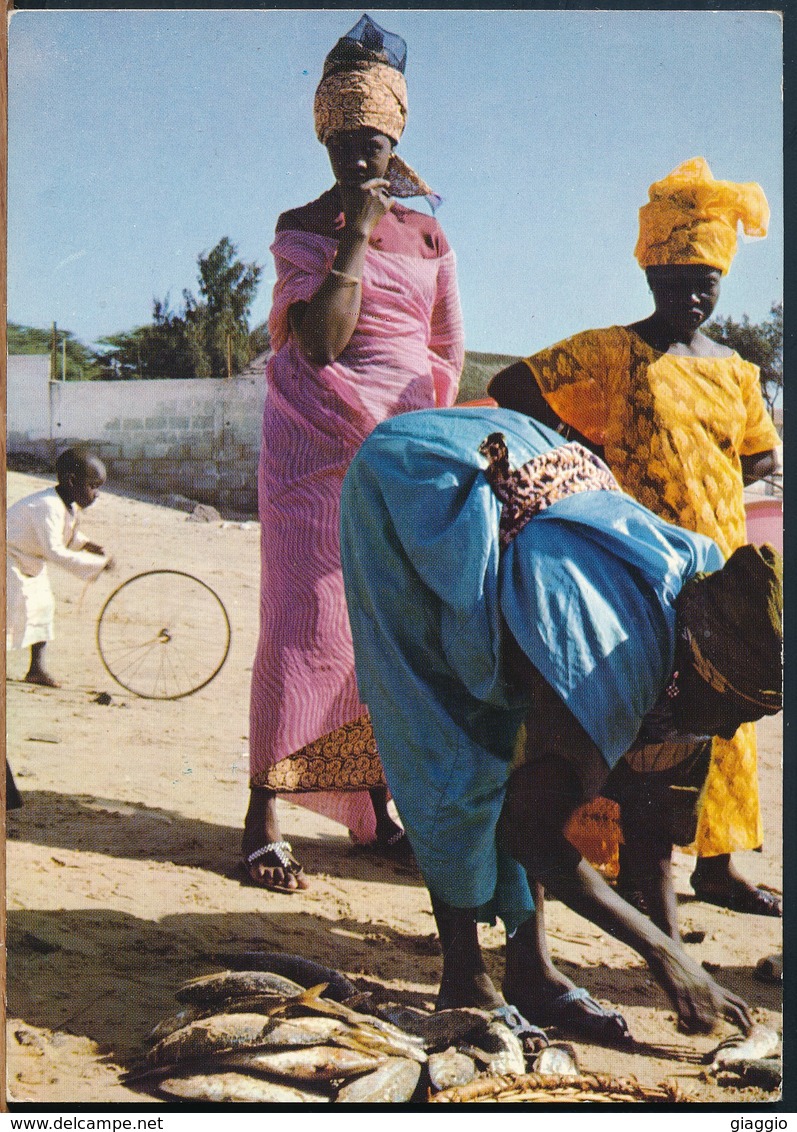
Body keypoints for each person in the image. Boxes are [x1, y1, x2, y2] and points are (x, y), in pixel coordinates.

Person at [340, 406, 781, 1040]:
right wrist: (665, 958)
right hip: (419, 485)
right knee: (454, 744)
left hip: (529, 479)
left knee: (531, 740)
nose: (738, 730)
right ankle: (464, 975)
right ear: (712, 676)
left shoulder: (707, 603)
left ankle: (530, 971)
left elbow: (649, 833)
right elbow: (534, 831)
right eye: (743, 711)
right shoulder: (616, 660)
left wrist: (681, 954)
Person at [488, 158, 781, 926]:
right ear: (650, 273)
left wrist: (735, 474)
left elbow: (759, 453)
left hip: (716, 562)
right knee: (637, 713)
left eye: (703, 283)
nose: (688, 295)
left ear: (720, 285)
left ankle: (716, 866)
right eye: (675, 279)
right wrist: (580, 448)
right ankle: (621, 864)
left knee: (724, 709)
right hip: (636, 564)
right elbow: (514, 384)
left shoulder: (738, 372)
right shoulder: (613, 352)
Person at [243, 14, 464, 891]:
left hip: (399, 456)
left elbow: (446, 350)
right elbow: (323, 344)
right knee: (303, 630)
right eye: (342, 145)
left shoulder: (434, 235)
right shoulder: (305, 224)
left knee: (386, 641)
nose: (357, 161)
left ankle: (374, 814)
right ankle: (263, 813)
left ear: (395, 136)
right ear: (324, 139)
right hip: (312, 452)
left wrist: (421, 439)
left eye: (370, 144)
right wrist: (356, 234)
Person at [7, 448, 111, 688]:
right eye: (93, 486)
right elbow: (55, 551)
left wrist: (88, 545)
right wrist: (97, 565)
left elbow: (66, 535)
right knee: (11, 611)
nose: (96, 494)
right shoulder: (46, 506)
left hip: (28, 559)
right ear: (72, 481)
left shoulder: (64, 504)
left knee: (43, 607)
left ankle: (36, 670)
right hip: (9, 557)